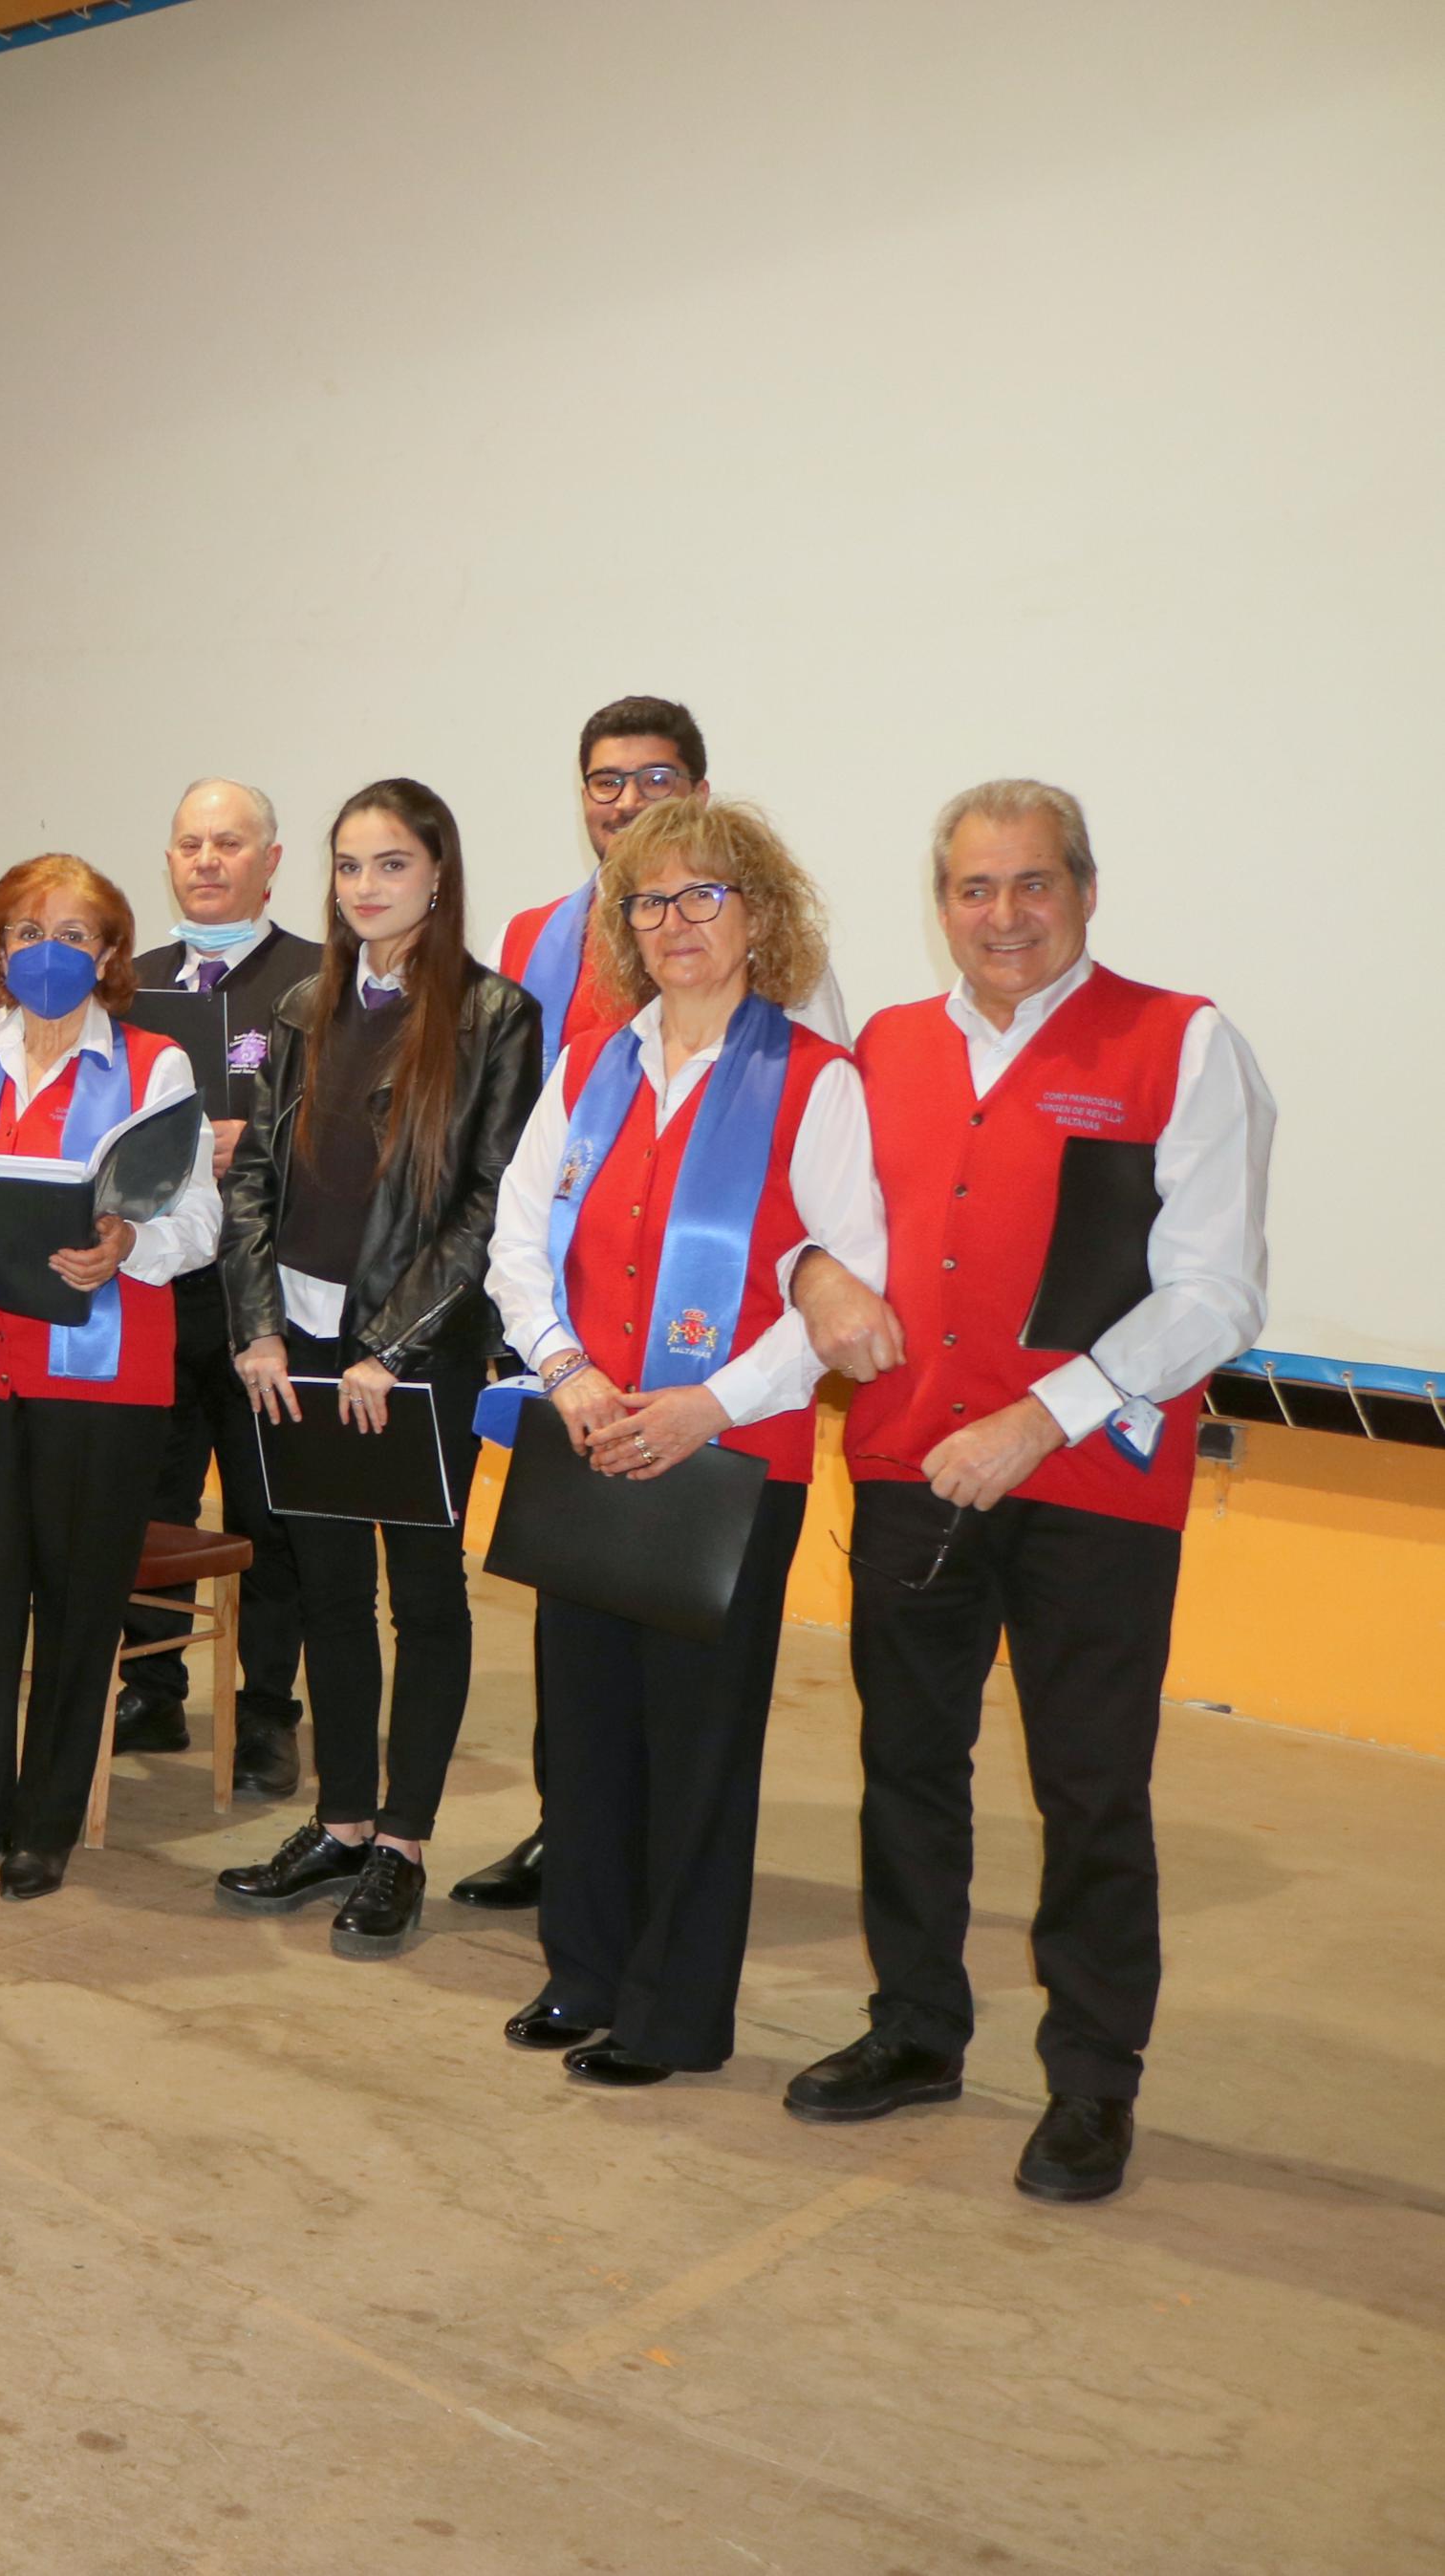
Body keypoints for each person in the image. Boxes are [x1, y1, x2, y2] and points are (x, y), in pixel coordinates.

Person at [774, 781, 1273, 2204]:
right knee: (905, 1768)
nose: (1002, 914)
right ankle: (915, 2027)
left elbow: (1215, 1291)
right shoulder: (882, 1045)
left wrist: (1033, 1419)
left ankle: (1089, 2083)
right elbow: (816, 1224)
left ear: (1085, 888)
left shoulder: (1179, 1042)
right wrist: (811, 1274)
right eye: (973, 889)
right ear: (939, 905)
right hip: (906, 1466)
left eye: (1031, 883)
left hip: (1090, 1484)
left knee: (1089, 1788)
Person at [485, 798, 880, 2084]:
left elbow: (845, 1280)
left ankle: (669, 2009)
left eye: (702, 896)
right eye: (648, 902)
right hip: (588, 1437)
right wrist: (565, 1370)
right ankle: (581, 1967)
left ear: (758, 916)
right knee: (585, 1726)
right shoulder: (590, 1064)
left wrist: (707, 1401)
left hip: (723, 1463)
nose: (673, 924)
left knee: (695, 1745)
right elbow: (514, 1246)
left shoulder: (815, 1083)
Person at [210, 780, 541, 1957]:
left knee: (424, 1595)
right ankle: (340, 1820)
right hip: (291, 1345)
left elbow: (482, 1208)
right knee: (328, 1588)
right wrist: (254, 1327)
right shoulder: (304, 1004)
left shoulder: (494, 1015)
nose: (364, 888)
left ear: (437, 875)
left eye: (389, 865)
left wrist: (382, 1349)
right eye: (348, 867)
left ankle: (401, 1840)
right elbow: (251, 1177)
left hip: (411, 1353)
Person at [0, 855, 223, 1896]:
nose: (47, 952)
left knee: (79, 1607)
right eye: (26, 931)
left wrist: (127, 1239)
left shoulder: (152, 1065)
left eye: (73, 934)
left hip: (100, 1380)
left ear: (110, 954)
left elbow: (198, 1219)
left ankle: (45, 1823)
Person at [119, 777, 324, 1796]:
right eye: (189, 843)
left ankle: (266, 1710)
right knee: (147, 1491)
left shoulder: (321, 982)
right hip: (153, 1282)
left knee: (266, 1506)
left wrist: (264, 1144)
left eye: (228, 843)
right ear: (167, 859)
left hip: (267, 1298)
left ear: (270, 861)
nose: (206, 860)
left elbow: (359, 1141)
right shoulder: (133, 982)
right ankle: (148, 1688)